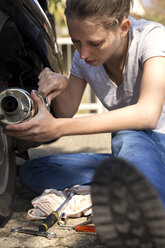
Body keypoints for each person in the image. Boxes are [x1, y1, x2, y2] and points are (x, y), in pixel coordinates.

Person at [4, 0, 165, 246]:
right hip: (133, 156)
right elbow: (66, 110)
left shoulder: (152, 37)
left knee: (126, 135)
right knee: (35, 170)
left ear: (123, 28)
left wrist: (59, 128)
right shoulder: (84, 59)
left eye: (94, 43)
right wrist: (58, 86)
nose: (83, 53)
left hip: (156, 143)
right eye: (76, 42)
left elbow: (147, 114)